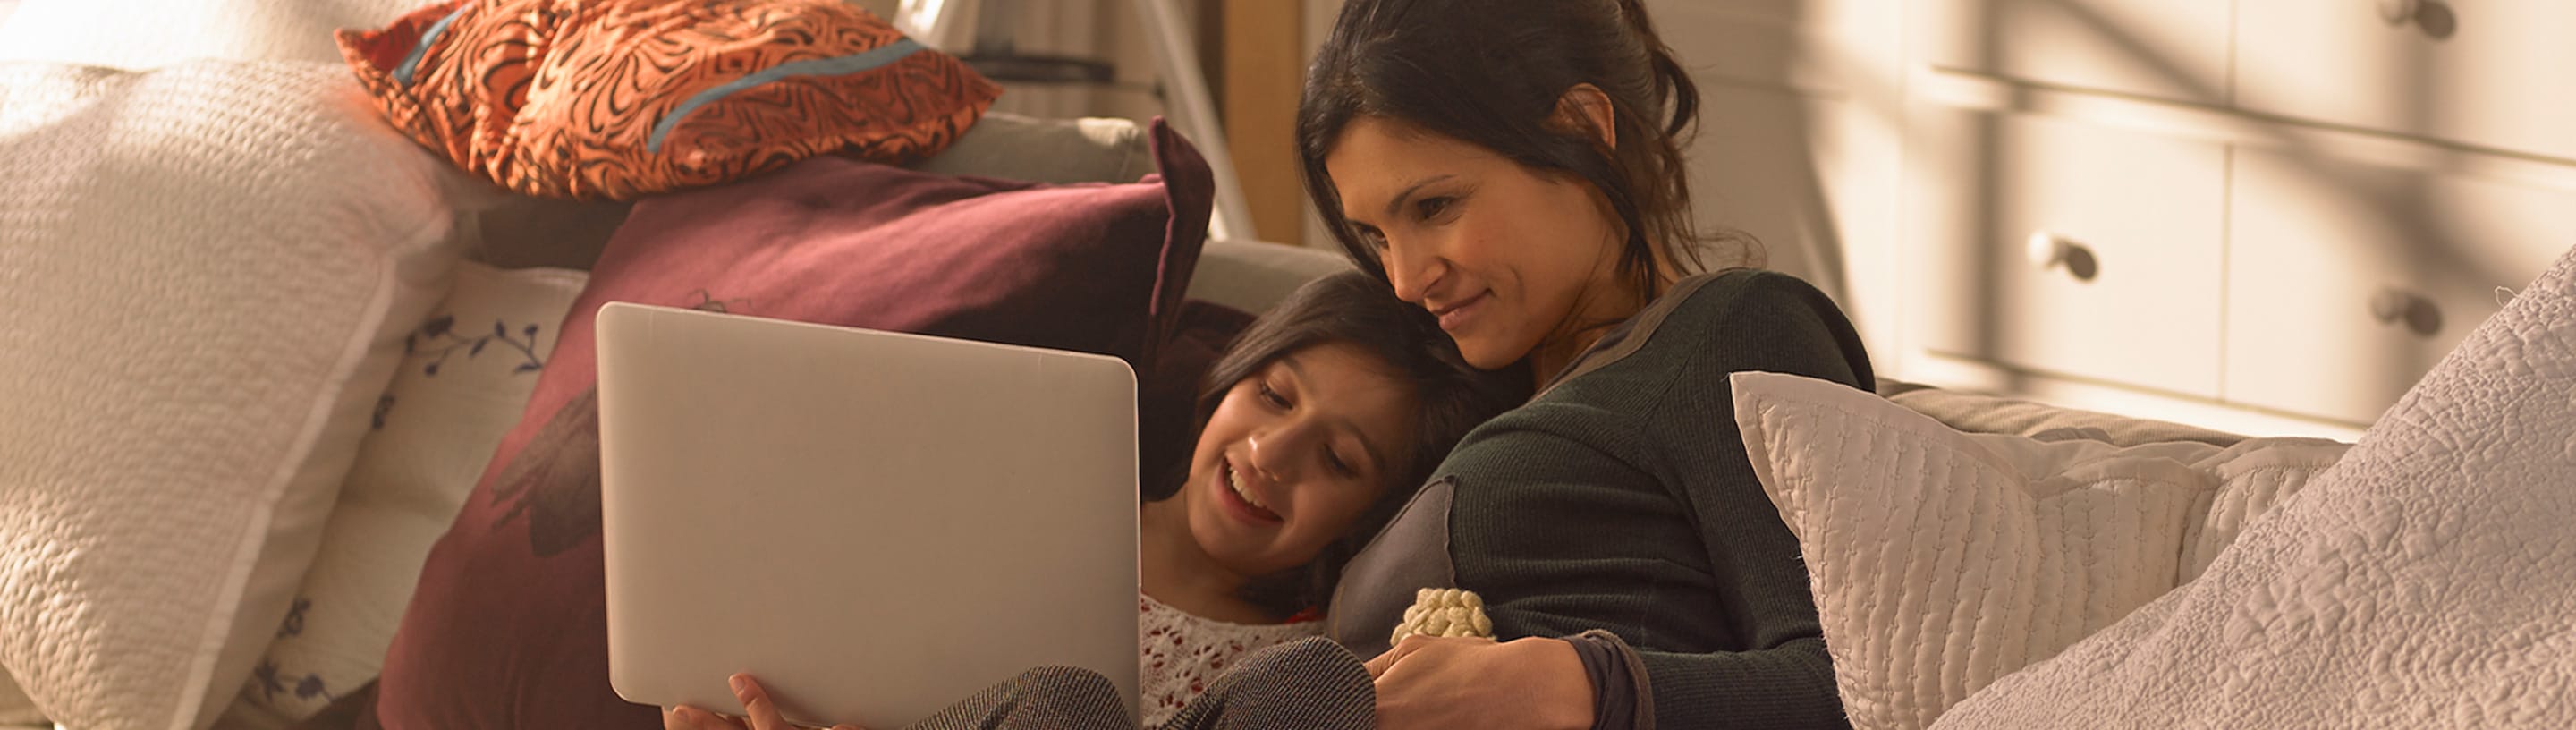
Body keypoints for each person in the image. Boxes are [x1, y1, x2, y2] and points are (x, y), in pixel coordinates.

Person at [676, 0, 1876, 725]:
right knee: (1079, 702)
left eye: (1437, 205)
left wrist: (1579, 691)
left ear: (1580, 129)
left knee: (1290, 694)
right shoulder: (1459, 399)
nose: (1409, 276)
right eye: (1373, 235)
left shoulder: (1734, 331)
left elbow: (1876, 685)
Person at [664, 271, 1524, 730]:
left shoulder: (1297, 653)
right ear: (1225, 383)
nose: (1270, 454)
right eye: (1271, 396)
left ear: (1371, 518)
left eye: (1336, 459)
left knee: (1318, 686)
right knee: (1065, 703)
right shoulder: (1024, 510)